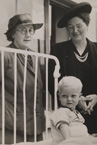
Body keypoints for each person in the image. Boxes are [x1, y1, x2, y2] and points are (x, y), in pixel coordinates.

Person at [48, 2, 97, 134]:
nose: (75, 31)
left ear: (87, 25)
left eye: (79, 26)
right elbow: (51, 84)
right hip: (70, 116)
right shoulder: (58, 50)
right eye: (70, 27)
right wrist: (73, 100)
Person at [0, 13, 45, 143]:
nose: (28, 34)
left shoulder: (33, 55)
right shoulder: (5, 55)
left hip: (36, 126)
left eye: (31, 30)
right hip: (12, 127)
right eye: (23, 30)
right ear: (13, 34)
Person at [50, 76, 97, 145]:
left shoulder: (76, 113)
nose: (69, 99)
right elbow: (63, 127)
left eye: (73, 96)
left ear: (79, 97)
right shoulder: (61, 112)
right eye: (64, 96)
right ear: (59, 96)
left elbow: (80, 130)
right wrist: (69, 141)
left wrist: (89, 137)